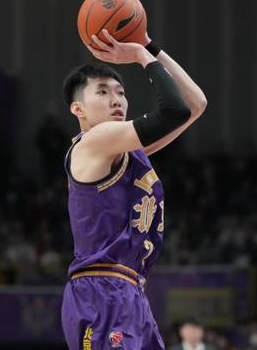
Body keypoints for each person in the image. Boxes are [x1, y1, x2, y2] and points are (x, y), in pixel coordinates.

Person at [61, 29, 207, 349]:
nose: (116, 100)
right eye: (102, 92)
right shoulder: (94, 143)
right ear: (78, 109)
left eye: (121, 92)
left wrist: (149, 45)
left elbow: (196, 103)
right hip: (100, 291)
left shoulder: (124, 150)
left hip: (131, 290)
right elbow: (174, 111)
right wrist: (141, 56)